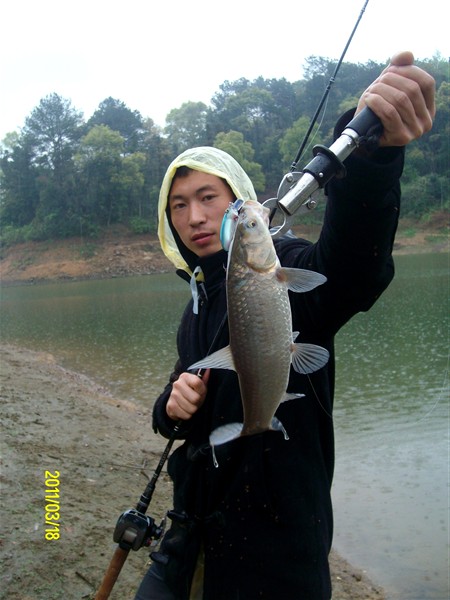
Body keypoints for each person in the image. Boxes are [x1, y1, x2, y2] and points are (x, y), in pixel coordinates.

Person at [134, 51, 435, 600]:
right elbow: (182, 402)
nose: (194, 217)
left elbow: (353, 271)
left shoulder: (285, 265)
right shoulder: (197, 301)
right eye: (178, 205)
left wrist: (372, 159)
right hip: (191, 534)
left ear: (240, 205)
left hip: (278, 553)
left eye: (208, 198)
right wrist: (168, 408)